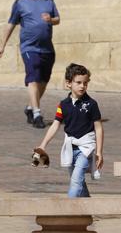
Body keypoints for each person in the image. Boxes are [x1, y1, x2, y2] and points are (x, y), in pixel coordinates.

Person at [0, 0, 60, 129]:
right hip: (29, 48)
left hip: (47, 49)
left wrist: (50, 19)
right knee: (33, 79)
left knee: (43, 81)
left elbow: (58, 19)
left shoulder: (48, 0)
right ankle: (37, 114)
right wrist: (2, 45)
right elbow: (11, 24)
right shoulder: (20, 3)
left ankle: (30, 107)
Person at [34, 63, 104, 197]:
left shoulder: (91, 104)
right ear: (68, 83)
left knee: (76, 181)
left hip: (86, 148)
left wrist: (99, 152)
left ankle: (67, 209)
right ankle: (87, 206)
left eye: (85, 83)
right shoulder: (63, 105)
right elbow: (55, 125)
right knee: (79, 182)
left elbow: (99, 128)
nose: (82, 86)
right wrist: (43, 145)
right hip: (70, 148)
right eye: (78, 82)